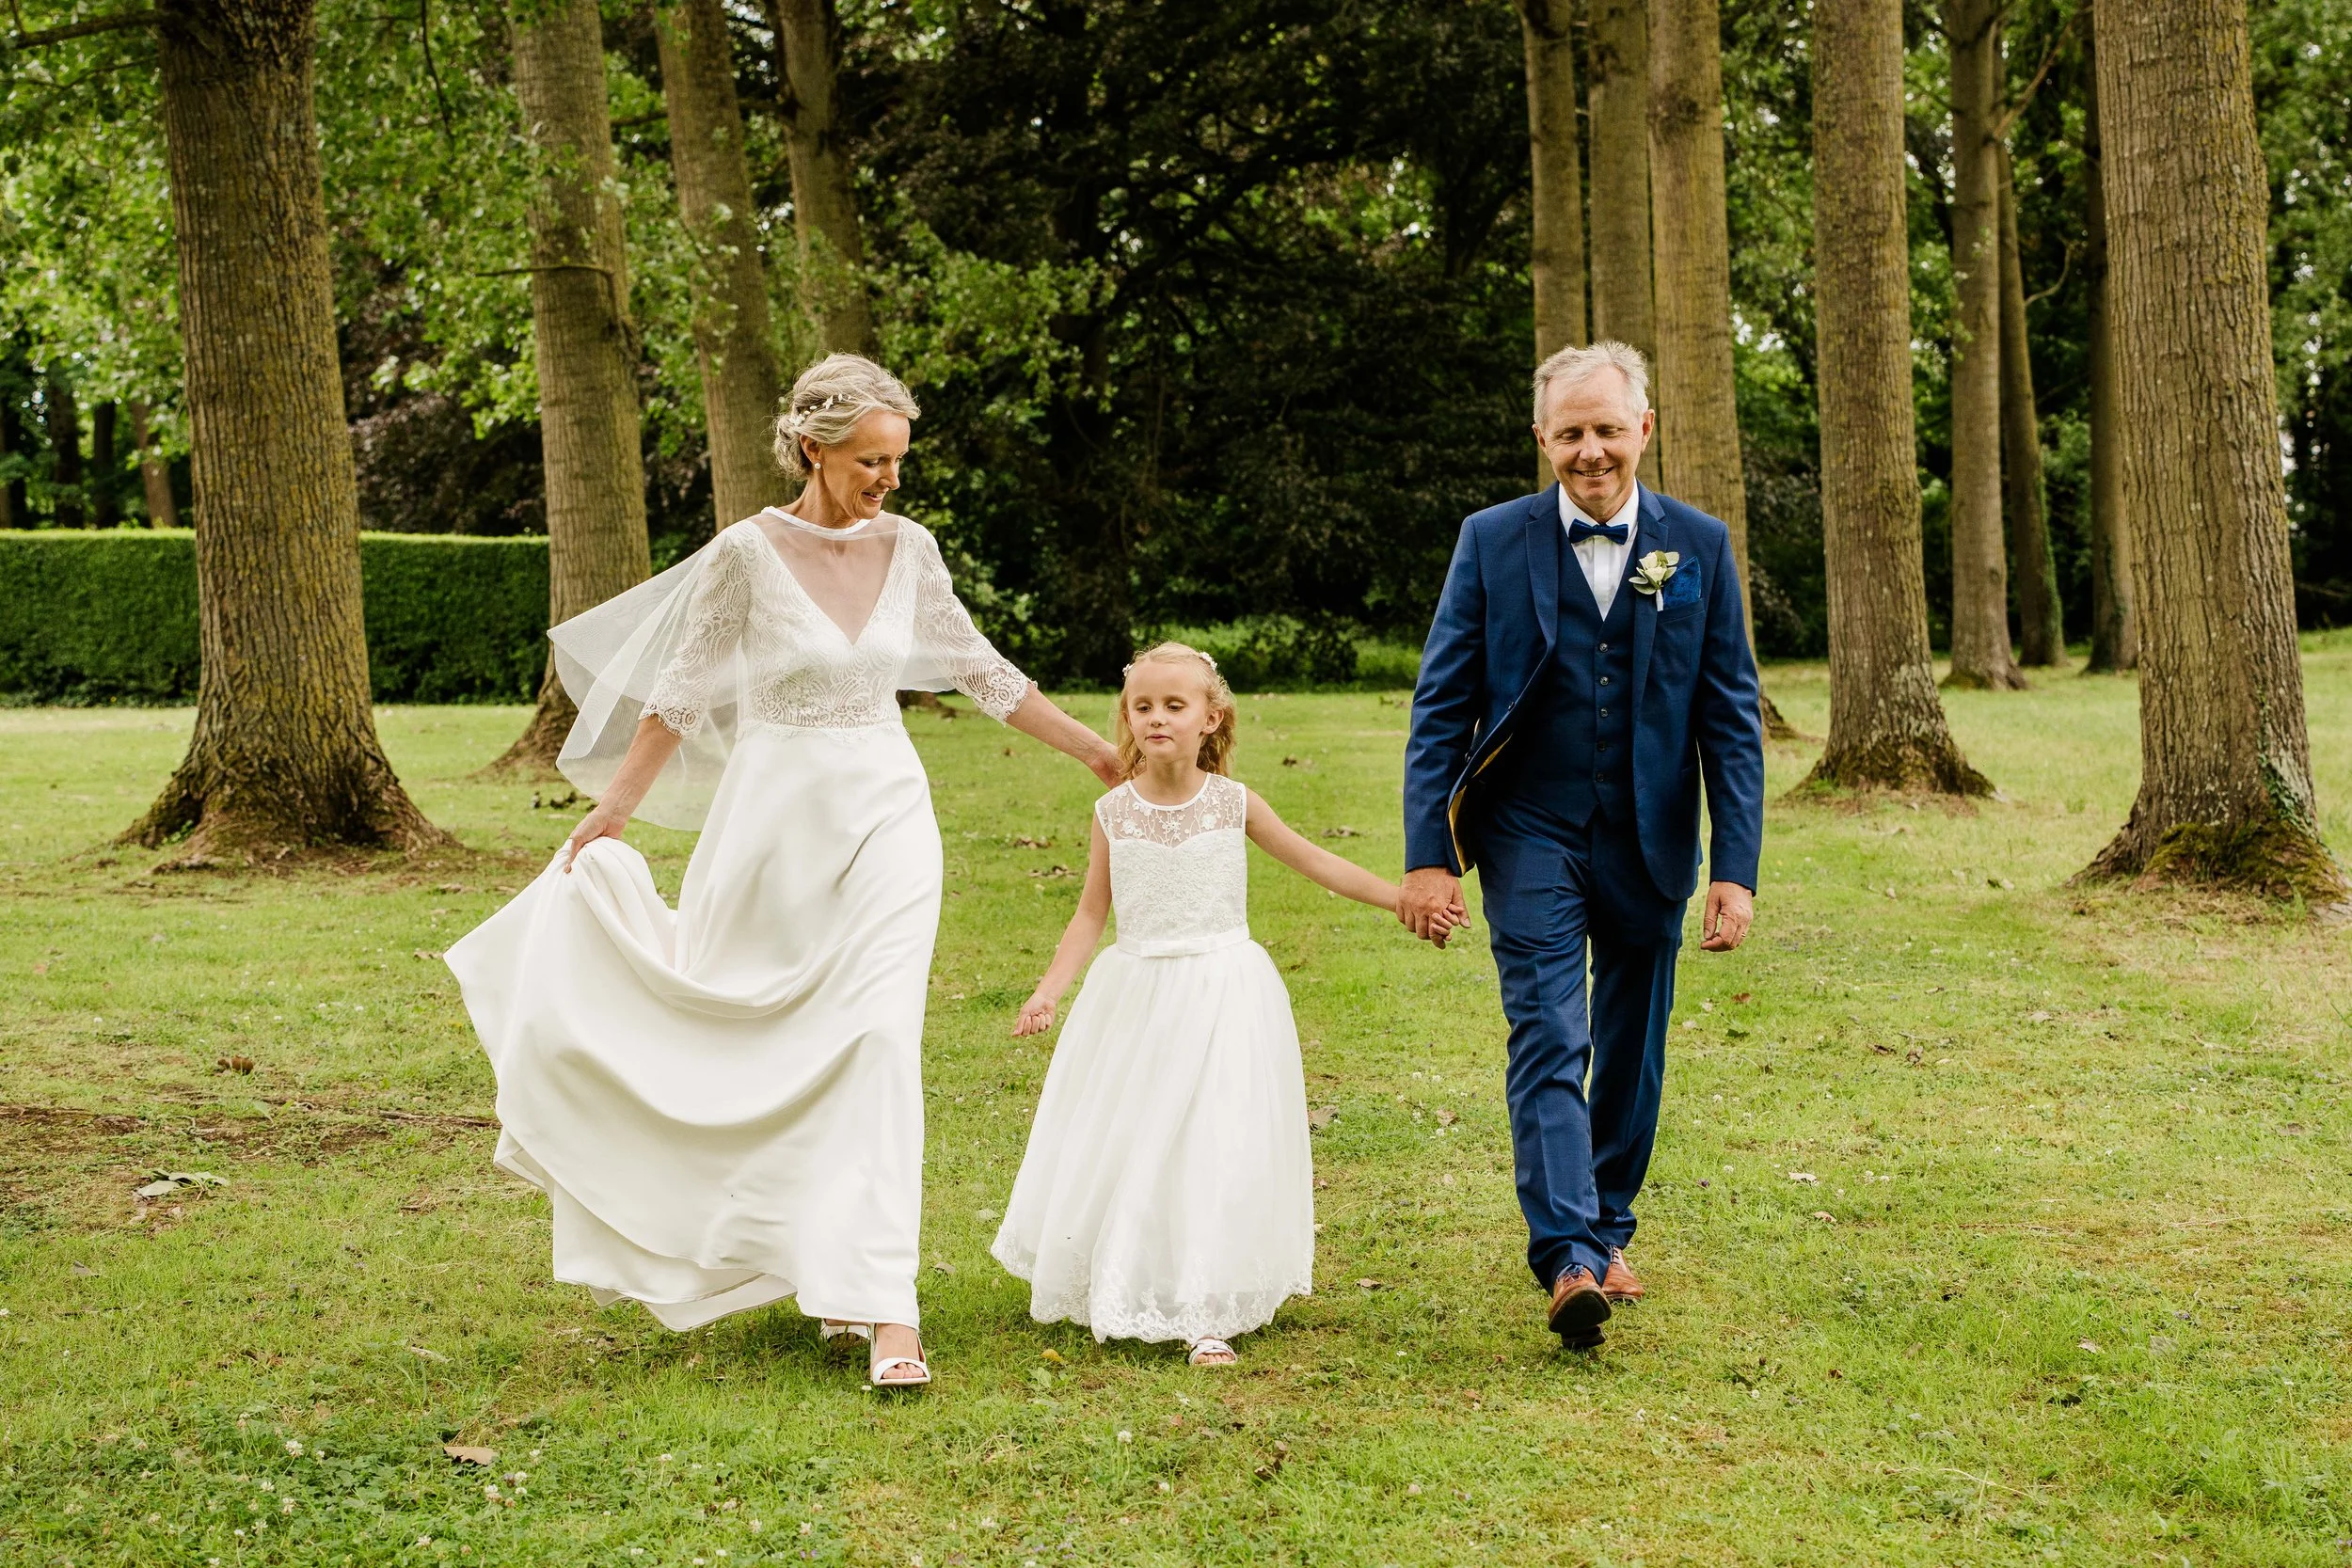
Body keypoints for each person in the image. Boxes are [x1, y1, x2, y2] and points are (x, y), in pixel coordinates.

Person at [445, 354, 1121, 1389]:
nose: (888, 478)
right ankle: (817, 1266)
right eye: (868, 459)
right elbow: (678, 696)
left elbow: (985, 671)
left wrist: (1097, 753)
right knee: (765, 1040)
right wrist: (615, 808)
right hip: (771, 824)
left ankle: (887, 1305)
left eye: (897, 459)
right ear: (813, 447)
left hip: (887, 812)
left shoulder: (911, 548)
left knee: (880, 1040)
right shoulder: (745, 553)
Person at [1398, 341, 1765, 1349]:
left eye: (1608, 428)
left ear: (1644, 429)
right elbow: (1442, 704)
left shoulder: (1699, 545)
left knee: (1632, 1044)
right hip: (1528, 828)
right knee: (1549, 1031)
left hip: (1652, 834)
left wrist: (1733, 868)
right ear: (1541, 439)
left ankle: (1607, 1223)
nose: (1590, 450)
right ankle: (1565, 1253)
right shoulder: (1489, 540)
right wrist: (1428, 849)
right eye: (1570, 432)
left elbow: (1730, 718)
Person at [991, 642, 1430, 1366]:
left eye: (1174, 705)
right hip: (1137, 994)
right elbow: (1088, 916)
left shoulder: (1234, 803)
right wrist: (1047, 991)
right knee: (1140, 1138)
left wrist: (1398, 897)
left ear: (1210, 718)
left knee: (1211, 1138)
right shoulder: (1113, 812)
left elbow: (1315, 860)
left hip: (1225, 991)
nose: (1156, 717)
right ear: (1127, 719)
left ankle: (1206, 1303)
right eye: (1142, 706)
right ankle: (1131, 1271)